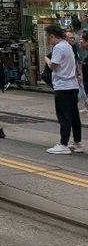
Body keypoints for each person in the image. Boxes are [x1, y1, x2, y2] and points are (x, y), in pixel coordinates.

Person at [44, 24, 82, 154]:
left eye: (47, 37)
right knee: (74, 115)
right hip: (72, 85)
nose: (47, 40)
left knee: (64, 116)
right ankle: (77, 142)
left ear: (52, 36)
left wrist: (47, 61)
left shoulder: (59, 48)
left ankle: (63, 144)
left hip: (63, 86)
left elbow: (54, 66)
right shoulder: (67, 45)